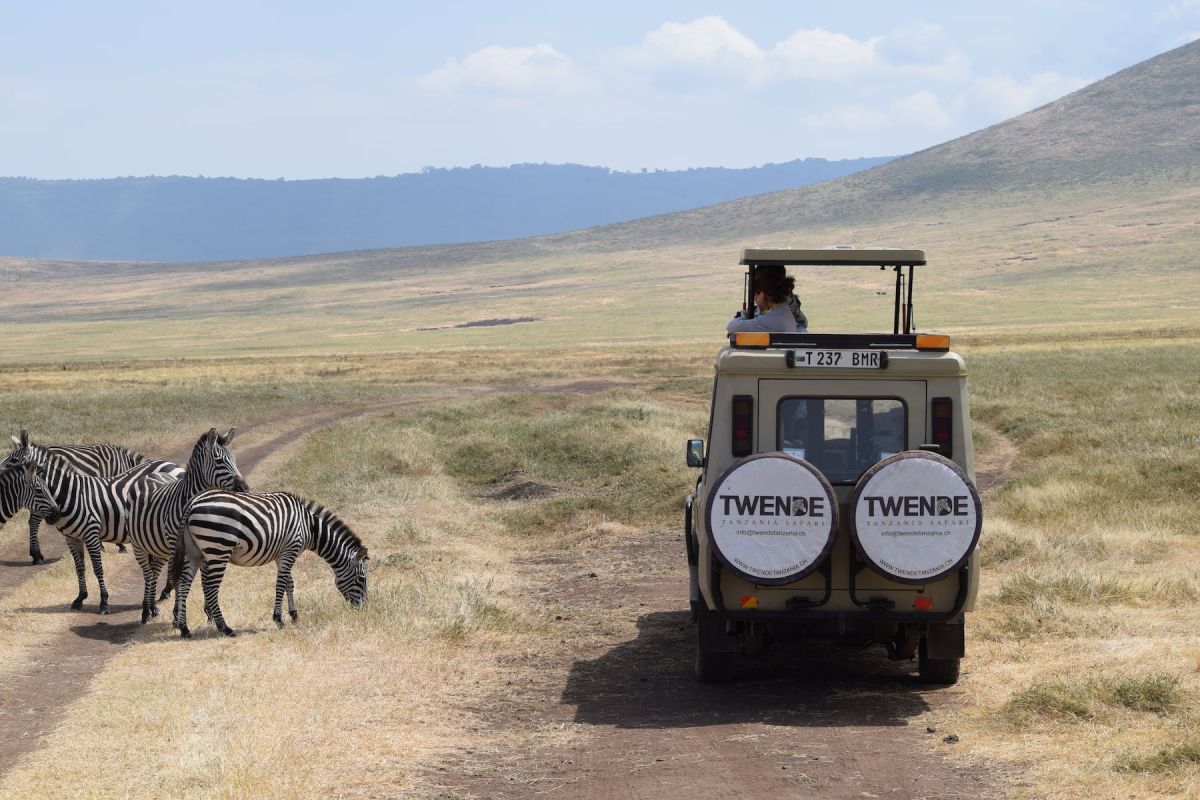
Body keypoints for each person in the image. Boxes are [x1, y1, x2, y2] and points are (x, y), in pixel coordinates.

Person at [726, 265, 808, 333]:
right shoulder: (783, 307)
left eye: (755, 295)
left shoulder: (774, 317)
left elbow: (732, 327)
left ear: (762, 295)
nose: (754, 299)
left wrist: (744, 315)